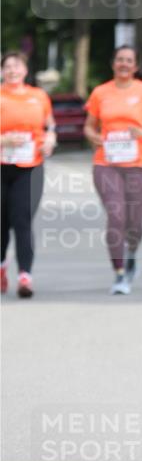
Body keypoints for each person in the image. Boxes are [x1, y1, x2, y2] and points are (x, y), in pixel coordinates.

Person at [84, 45, 142, 295]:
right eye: (119, 59)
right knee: (116, 215)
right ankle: (119, 273)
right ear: (113, 63)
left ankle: (131, 253)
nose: (123, 64)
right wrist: (94, 137)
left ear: (136, 66)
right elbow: (89, 126)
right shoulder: (101, 92)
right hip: (106, 163)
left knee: (134, 223)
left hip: (139, 164)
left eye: (128, 61)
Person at [0, 51, 57, 298]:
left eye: (17, 65)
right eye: (8, 66)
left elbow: (50, 126)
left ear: (25, 70)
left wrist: (51, 140)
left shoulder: (39, 96)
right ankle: (2, 267)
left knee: (22, 220)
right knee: (2, 223)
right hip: (1, 166)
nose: (13, 70)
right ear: (2, 71)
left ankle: (25, 275)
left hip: (30, 166)